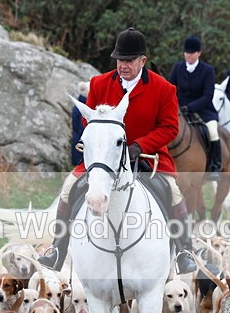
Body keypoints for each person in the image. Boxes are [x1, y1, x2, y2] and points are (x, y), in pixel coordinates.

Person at [37, 27, 197, 274]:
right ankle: (58, 249)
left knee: (173, 192)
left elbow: (169, 128)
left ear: (142, 60)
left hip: (146, 156)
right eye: (119, 59)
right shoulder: (99, 83)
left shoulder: (164, 88)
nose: (123, 65)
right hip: (105, 156)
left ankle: (185, 251)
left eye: (129, 60)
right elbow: (86, 120)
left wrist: (139, 145)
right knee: (69, 188)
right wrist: (106, 133)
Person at [169, 36, 221, 180]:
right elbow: (170, 88)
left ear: (199, 53)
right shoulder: (178, 67)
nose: (189, 55)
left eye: (192, 53)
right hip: (180, 108)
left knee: (212, 132)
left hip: (203, 109)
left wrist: (190, 108)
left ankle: (214, 166)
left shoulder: (207, 70)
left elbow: (208, 95)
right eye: (186, 53)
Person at [71, 81, 89, 166]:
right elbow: (82, 127)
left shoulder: (77, 106)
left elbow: (75, 126)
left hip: (77, 139)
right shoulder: (85, 107)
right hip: (83, 141)